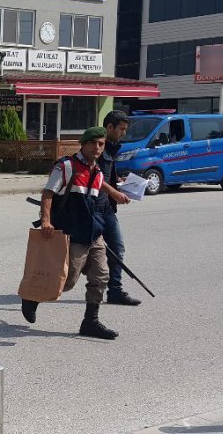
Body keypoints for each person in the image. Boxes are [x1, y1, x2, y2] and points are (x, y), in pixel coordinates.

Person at [21, 127, 119, 340]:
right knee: (67, 281)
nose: (97, 148)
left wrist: (114, 192)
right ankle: (32, 299)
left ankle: (90, 322)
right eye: (93, 143)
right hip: (73, 234)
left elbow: (100, 185)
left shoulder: (97, 170)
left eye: (101, 144)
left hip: (94, 234)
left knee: (101, 277)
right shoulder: (66, 167)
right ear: (83, 144)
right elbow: (48, 193)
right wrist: (46, 220)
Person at [95, 110, 141, 306]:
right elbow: (92, 176)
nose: (124, 133)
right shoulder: (96, 146)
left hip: (107, 207)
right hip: (91, 208)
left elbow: (105, 175)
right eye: (121, 129)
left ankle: (115, 290)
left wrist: (118, 183)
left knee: (117, 248)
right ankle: (43, 289)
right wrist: (114, 192)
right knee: (75, 257)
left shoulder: (111, 148)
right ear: (109, 127)